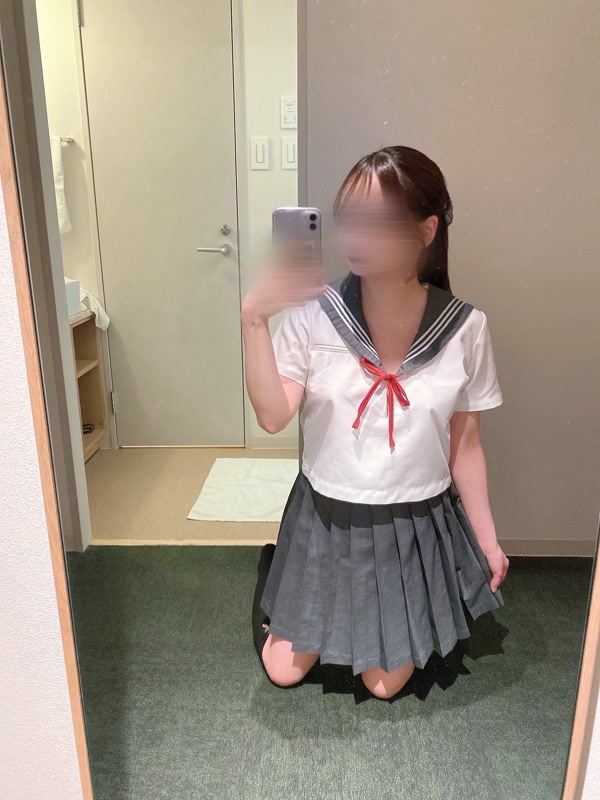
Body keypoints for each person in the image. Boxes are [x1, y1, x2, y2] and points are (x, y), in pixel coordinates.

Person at [241, 145, 509, 700]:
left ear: (426, 230)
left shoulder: (466, 328)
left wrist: (487, 540)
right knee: (284, 671)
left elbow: (466, 446)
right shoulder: (314, 314)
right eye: (349, 218)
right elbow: (271, 417)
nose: (356, 235)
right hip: (326, 514)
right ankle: (279, 572)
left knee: (385, 685)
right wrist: (254, 321)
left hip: (411, 519)